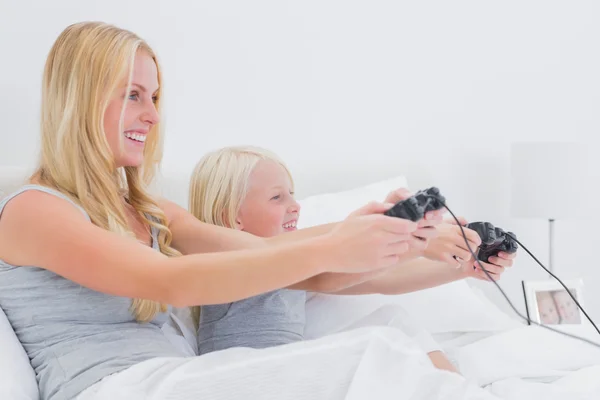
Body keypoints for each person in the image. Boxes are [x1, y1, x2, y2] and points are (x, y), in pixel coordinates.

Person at [0, 21, 478, 400]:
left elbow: (279, 261)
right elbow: (170, 280)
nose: (152, 114)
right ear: (80, 101)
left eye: (155, 97)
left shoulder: (149, 212)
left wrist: (380, 232)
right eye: (133, 95)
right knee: (378, 356)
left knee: (392, 345)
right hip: (112, 388)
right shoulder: (34, 212)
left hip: (180, 379)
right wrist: (333, 245)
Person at [188, 146, 517, 374]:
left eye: (292, 193)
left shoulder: (292, 260)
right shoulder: (225, 260)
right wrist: (400, 232)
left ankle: (457, 390)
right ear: (230, 217)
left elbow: (379, 279)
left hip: (285, 371)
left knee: (391, 321)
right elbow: (328, 260)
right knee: (378, 343)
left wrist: (461, 269)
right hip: (242, 379)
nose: (295, 205)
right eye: (277, 197)